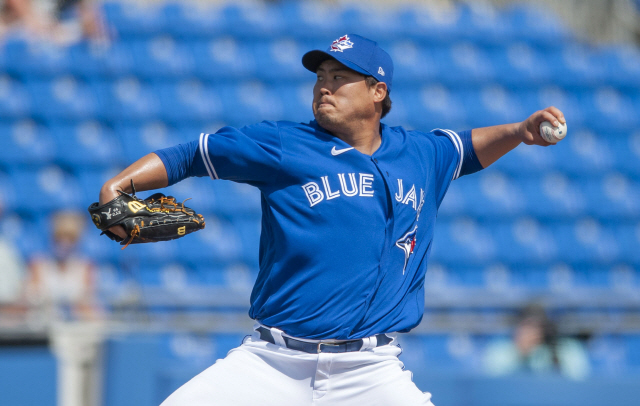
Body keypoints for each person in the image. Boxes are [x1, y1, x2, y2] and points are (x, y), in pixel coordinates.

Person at [98, 34, 566, 406]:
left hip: (370, 371)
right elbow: (190, 155)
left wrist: (519, 132)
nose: (324, 86)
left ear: (378, 92)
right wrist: (118, 187)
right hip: (272, 362)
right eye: (320, 76)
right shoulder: (284, 144)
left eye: (340, 77)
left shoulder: (422, 154)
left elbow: (467, 147)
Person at [24, 210, 100, 321]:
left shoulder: (86, 266)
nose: (64, 243)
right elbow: (31, 299)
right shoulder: (38, 263)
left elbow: (87, 303)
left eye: (70, 239)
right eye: (59, 238)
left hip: (76, 323)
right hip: (43, 322)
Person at [483, 303, 590, 380]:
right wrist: (521, 352)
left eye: (538, 327)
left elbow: (579, 379)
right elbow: (492, 382)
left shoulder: (566, 348)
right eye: (527, 326)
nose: (533, 332)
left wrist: (556, 356)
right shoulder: (500, 349)